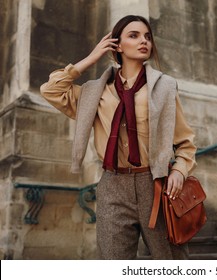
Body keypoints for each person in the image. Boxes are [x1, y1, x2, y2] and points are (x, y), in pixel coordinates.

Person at [40, 15, 197, 260]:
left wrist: (179, 170)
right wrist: (90, 59)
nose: (143, 41)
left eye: (147, 37)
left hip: (155, 184)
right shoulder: (94, 92)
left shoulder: (165, 87)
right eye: (133, 35)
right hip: (112, 186)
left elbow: (185, 142)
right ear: (117, 45)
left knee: (171, 262)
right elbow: (50, 90)